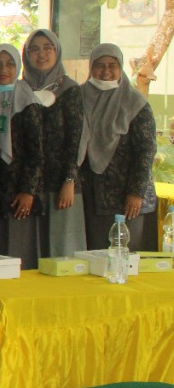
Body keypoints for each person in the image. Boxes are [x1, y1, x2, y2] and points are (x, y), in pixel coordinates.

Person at [80, 43, 156, 249]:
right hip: (91, 196)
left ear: (120, 67)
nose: (106, 71)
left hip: (127, 199)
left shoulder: (135, 103)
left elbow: (146, 151)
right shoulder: (78, 97)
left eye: (112, 65)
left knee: (124, 259)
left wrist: (136, 192)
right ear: (91, 67)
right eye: (100, 65)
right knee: (94, 260)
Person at [21, 29, 87, 257]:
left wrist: (69, 180)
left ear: (57, 52)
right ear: (26, 54)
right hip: (27, 187)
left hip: (61, 184)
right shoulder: (20, 90)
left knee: (63, 252)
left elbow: (75, 138)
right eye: (35, 49)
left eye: (48, 48)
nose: (41, 54)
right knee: (31, 253)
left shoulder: (70, 90)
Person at [0, 43, 44, 267]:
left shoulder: (29, 102)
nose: (3, 70)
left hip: (20, 191)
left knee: (20, 253)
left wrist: (28, 190)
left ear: (18, 67)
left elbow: (36, 152)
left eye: (9, 64)